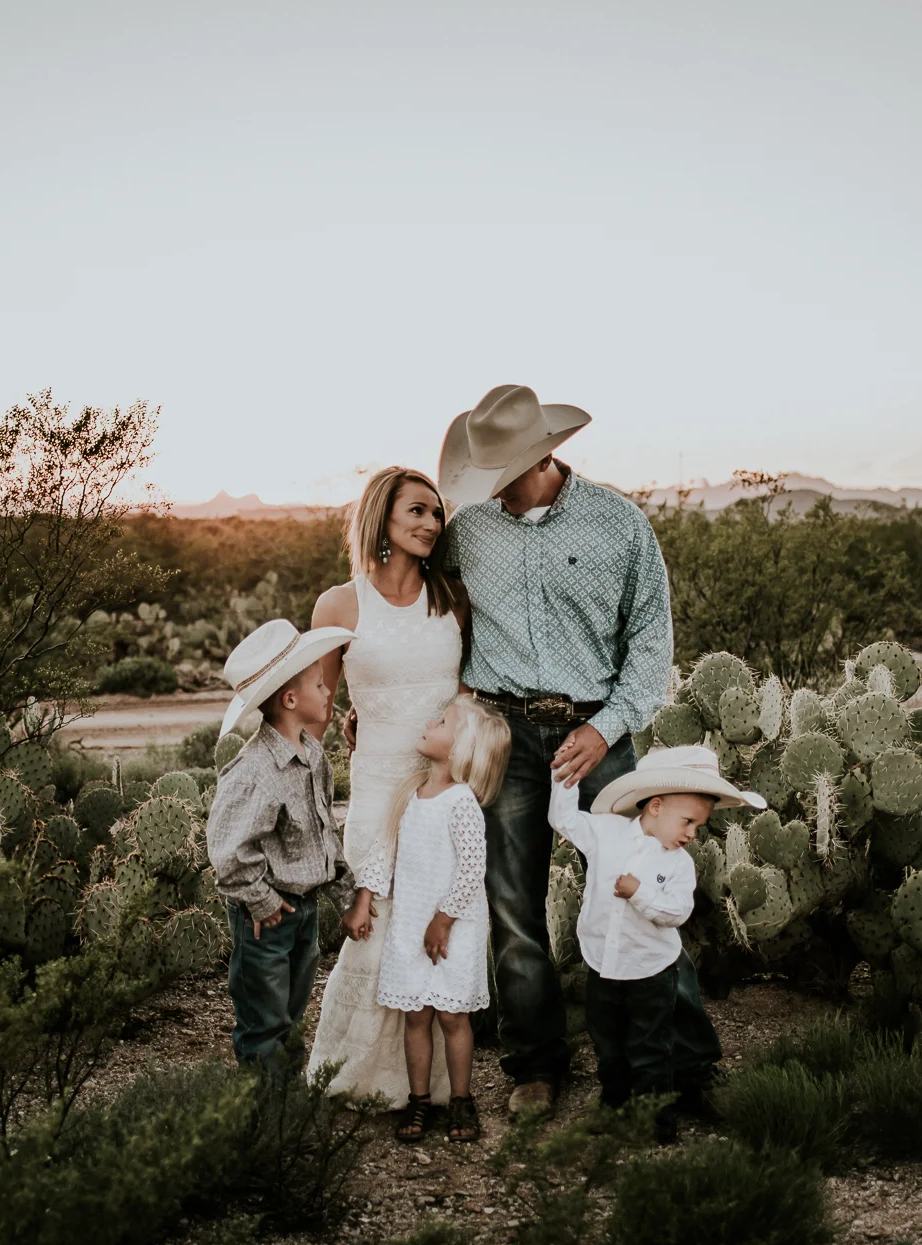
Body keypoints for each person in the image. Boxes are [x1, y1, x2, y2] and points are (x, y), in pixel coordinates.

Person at [436, 383, 719, 1118]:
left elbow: (651, 639)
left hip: (599, 735)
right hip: (504, 734)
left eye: (499, 469)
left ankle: (676, 1064)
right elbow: (425, 613)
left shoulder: (619, 524)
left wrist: (607, 725)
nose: (486, 486)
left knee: (642, 883)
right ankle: (534, 1063)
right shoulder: (466, 533)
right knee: (514, 904)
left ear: (539, 456)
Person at [304, 467, 468, 1107]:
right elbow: (318, 706)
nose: (431, 523)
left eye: (436, 514)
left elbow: (468, 696)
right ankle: (358, 1075)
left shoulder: (452, 598)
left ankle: (424, 1084)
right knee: (379, 924)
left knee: (431, 923)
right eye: (417, 512)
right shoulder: (339, 604)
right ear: (383, 518)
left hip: (439, 788)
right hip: (374, 787)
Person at [548, 746, 761, 1141]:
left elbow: (676, 914)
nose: (691, 833)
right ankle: (614, 1111)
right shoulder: (605, 832)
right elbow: (561, 819)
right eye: (688, 822)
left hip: (649, 973)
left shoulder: (680, 865)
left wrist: (639, 893)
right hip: (602, 966)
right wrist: (565, 775)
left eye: (697, 826)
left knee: (650, 1049)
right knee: (608, 1048)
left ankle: (657, 1124)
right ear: (656, 807)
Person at [358, 695, 511, 1142]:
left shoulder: (461, 801)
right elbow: (388, 849)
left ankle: (461, 1100)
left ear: (461, 747)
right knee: (416, 1016)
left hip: (453, 924)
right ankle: (419, 1100)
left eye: (441, 721)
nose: (429, 722)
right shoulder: (412, 792)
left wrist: (444, 918)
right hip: (411, 920)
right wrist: (366, 894)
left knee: (452, 1018)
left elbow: (471, 866)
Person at [206, 617, 355, 1067]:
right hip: (266, 919)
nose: (329, 688)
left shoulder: (312, 756)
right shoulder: (255, 769)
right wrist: (261, 900)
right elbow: (229, 850)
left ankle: (287, 1110)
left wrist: (346, 894)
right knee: (264, 1023)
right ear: (291, 699)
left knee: (290, 1018)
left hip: (303, 912)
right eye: (318, 683)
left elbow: (323, 834)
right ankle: (267, 1120)